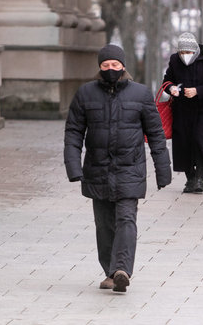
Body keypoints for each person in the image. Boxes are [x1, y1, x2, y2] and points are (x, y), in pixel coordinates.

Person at [64, 44, 172, 293]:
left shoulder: (141, 94)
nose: (110, 69)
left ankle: (122, 269)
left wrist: (162, 169)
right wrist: (73, 165)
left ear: (123, 66)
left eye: (115, 65)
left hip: (129, 169)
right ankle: (110, 273)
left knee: (125, 219)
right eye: (105, 65)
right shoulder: (85, 94)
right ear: (99, 67)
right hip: (97, 170)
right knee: (104, 225)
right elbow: (73, 133)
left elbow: (155, 133)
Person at [163, 32, 203, 193]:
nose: (185, 56)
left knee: (201, 139)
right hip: (182, 109)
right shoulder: (175, 61)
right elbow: (167, 80)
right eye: (182, 52)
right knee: (183, 142)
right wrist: (171, 88)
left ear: (195, 51)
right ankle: (190, 178)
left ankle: (200, 179)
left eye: (188, 53)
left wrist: (197, 91)